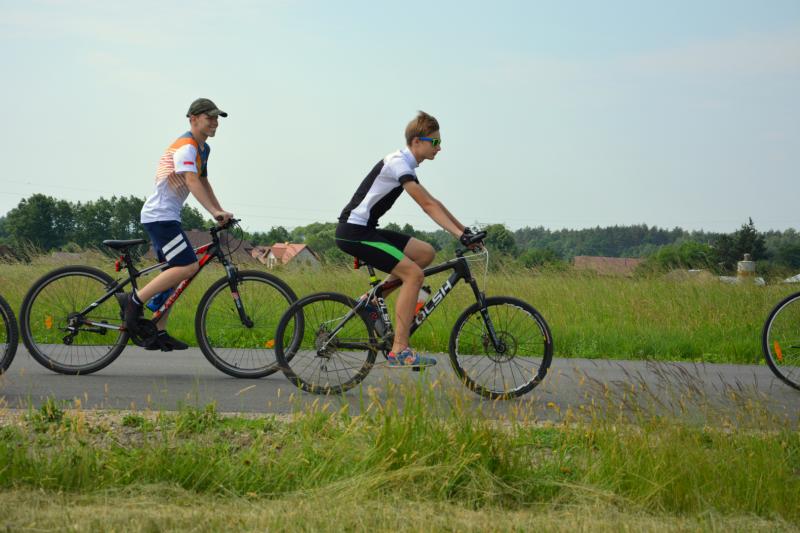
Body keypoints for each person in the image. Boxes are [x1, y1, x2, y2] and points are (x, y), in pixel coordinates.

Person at [335, 111, 481, 367]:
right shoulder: (398, 163)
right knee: (414, 275)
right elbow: (426, 205)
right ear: (416, 141)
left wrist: (464, 230)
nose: (439, 148)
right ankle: (399, 350)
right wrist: (459, 235)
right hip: (354, 232)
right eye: (435, 142)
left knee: (425, 253)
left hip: (366, 229)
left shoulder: (406, 165)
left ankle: (371, 300)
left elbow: (434, 202)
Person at [121, 98, 234, 351]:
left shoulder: (203, 149)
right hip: (160, 216)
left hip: (168, 216)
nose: (215, 122)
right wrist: (214, 211)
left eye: (217, 118)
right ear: (193, 119)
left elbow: (203, 182)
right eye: (210, 118)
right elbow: (191, 181)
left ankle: (158, 332)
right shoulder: (186, 147)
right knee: (188, 266)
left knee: (175, 275)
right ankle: (134, 301)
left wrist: (220, 210)